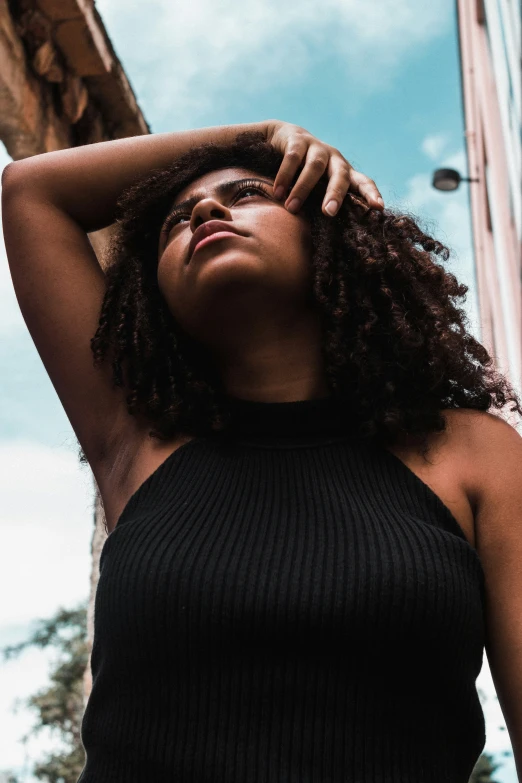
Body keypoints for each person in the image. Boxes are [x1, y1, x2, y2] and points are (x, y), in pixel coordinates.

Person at [3, 120, 522, 782]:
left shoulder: (473, 455)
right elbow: (30, 191)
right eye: (176, 221)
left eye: (249, 192)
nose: (209, 210)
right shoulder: (137, 444)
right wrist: (265, 135)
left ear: (332, 229)